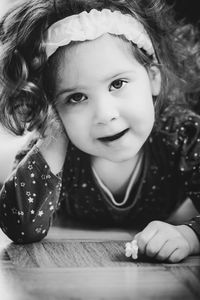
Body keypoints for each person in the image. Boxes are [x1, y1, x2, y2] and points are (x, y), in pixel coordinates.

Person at [0, 0, 200, 263]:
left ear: (153, 78)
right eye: (76, 97)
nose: (105, 115)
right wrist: (54, 135)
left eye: (118, 83)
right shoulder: (55, 140)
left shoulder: (183, 132)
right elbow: (20, 228)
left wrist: (188, 236)